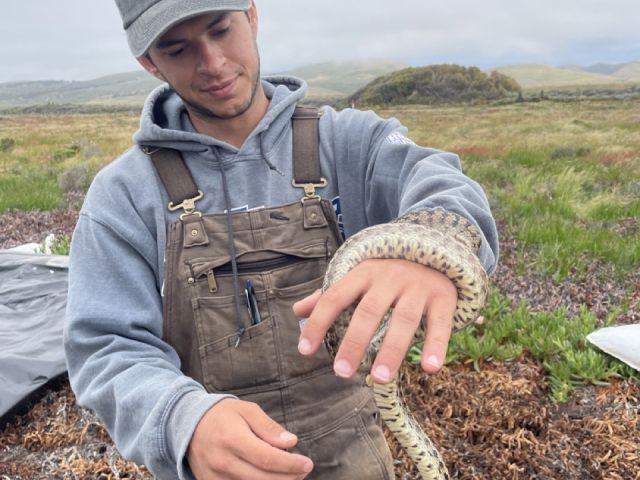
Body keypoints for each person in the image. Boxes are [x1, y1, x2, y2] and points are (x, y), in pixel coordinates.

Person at [64, 1, 499, 479]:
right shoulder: (122, 195)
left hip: (353, 453)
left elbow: (440, 180)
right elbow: (105, 346)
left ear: (251, 14)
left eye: (220, 29)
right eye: (178, 48)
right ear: (149, 62)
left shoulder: (348, 140)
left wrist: (427, 241)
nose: (213, 63)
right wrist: (184, 421)